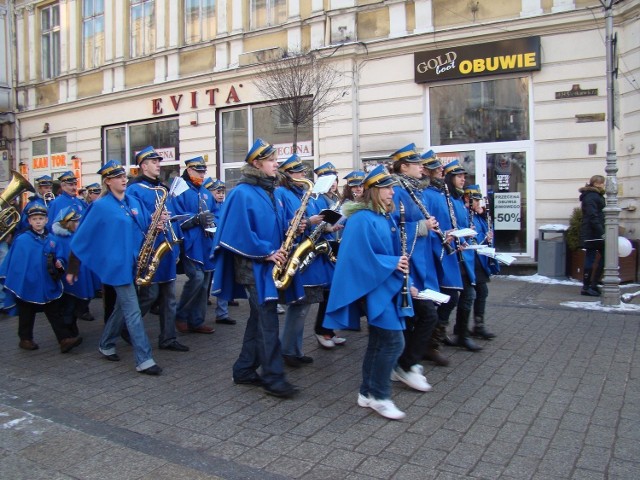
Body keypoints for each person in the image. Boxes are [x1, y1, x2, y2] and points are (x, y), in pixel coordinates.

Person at [212, 138, 304, 398]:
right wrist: (267, 251)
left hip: (268, 264)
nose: (277, 164)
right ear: (257, 163)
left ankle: (243, 370)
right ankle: (273, 378)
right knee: (267, 319)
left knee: (258, 318)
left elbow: (274, 225)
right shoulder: (242, 192)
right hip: (252, 266)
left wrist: (294, 227)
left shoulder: (269, 190)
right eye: (272, 160)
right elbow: (236, 232)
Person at [324, 164, 413, 420]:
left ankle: (367, 392)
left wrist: (408, 280)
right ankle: (380, 396)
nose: (391, 193)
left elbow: (396, 252)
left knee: (379, 343)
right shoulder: (361, 219)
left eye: (391, 188)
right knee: (393, 342)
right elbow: (356, 257)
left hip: (386, 286)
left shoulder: (383, 216)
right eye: (386, 189)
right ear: (374, 191)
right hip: (374, 289)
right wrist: (391, 263)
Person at [66, 160, 162, 375]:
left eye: (124, 176)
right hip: (117, 267)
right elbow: (81, 238)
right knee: (133, 311)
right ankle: (144, 359)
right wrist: (73, 268)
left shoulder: (132, 201)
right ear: (108, 181)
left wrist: (158, 223)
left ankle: (106, 343)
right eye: (118, 177)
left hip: (135, 264)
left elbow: (146, 226)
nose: (124, 179)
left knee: (122, 307)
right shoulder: (100, 206)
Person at [127, 146, 189, 352]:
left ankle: (168, 338)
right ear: (144, 166)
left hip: (167, 248)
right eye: (154, 162)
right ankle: (125, 328)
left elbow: (170, 214)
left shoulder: (162, 188)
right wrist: (152, 219)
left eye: (158, 161)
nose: (158, 165)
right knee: (149, 296)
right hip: (150, 248)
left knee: (170, 299)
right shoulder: (134, 189)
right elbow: (134, 219)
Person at [277, 154, 337, 367]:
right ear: (287, 175)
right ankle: (288, 351)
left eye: (303, 171)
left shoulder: (305, 193)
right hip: (296, 254)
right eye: (298, 172)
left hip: (309, 256)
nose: (303, 175)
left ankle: (294, 349)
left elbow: (311, 222)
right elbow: (280, 223)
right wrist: (307, 222)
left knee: (303, 307)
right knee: (299, 307)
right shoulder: (280, 193)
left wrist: (327, 225)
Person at [389, 143, 439, 392]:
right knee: (427, 315)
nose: (423, 167)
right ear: (404, 166)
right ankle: (406, 364)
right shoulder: (397, 191)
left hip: (419, 263)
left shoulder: (414, 190)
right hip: (405, 263)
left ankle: (404, 361)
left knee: (416, 316)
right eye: (417, 163)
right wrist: (421, 227)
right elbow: (391, 229)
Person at [0, 204, 82, 353]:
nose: (38, 222)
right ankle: (25, 339)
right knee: (26, 312)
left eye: (41, 218)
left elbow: (61, 257)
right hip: (27, 283)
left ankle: (64, 339)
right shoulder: (22, 239)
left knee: (54, 311)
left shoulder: (52, 239)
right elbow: (15, 263)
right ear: (29, 221)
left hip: (46, 283)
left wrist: (60, 263)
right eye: (34, 219)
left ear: (46, 220)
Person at [421, 153, 463, 362]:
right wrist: (442, 235)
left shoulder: (442, 192)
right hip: (432, 252)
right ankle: (428, 343)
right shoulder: (426, 194)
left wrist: (456, 235)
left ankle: (433, 341)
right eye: (436, 168)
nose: (441, 170)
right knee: (439, 298)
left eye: (440, 167)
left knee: (451, 295)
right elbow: (425, 223)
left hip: (446, 250)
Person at [173, 156, 216, 334]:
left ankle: (197, 321)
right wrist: (196, 219)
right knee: (197, 278)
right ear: (189, 170)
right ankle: (181, 315)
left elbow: (216, 213)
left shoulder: (206, 192)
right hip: (190, 244)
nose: (201, 174)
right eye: (198, 171)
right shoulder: (180, 190)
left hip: (206, 243)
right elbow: (175, 218)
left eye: (203, 171)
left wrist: (215, 222)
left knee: (205, 282)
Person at [443, 159, 482, 352]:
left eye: (464, 176)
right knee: (451, 297)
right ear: (450, 178)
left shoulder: (458, 200)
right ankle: (439, 332)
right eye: (459, 176)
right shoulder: (446, 198)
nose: (463, 180)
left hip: (462, 253)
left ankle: (462, 334)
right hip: (451, 254)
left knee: (469, 294)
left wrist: (468, 231)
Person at [311, 161, 346, 349]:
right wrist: (328, 226)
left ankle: (329, 330)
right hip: (322, 250)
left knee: (333, 292)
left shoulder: (336, 198)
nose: (333, 183)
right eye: (329, 179)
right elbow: (315, 223)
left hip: (334, 246)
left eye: (334, 179)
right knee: (327, 293)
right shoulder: (316, 198)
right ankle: (321, 330)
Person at [50, 206, 99, 338]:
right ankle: (68, 328)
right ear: (68, 223)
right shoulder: (60, 239)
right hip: (70, 277)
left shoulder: (78, 236)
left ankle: (71, 323)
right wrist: (59, 262)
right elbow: (59, 255)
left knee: (79, 303)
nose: (79, 223)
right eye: (76, 221)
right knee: (69, 305)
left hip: (83, 274)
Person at [464, 185, 498, 340]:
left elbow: (485, 231)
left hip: (479, 258)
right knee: (471, 294)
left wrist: (488, 236)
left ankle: (478, 325)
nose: (479, 204)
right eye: (476, 200)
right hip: (470, 259)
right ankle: (465, 328)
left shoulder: (478, 216)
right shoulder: (465, 214)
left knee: (480, 292)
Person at [203, 177, 236, 324]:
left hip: (222, 248)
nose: (221, 194)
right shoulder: (206, 209)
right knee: (205, 282)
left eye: (222, 191)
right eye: (217, 191)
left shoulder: (224, 206)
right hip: (208, 249)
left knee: (221, 278)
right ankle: (200, 311)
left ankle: (222, 313)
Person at [579, 174, 605, 296]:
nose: (602, 185)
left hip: (595, 232)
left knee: (605, 257)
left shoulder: (596, 196)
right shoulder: (591, 197)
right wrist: (602, 231)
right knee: (591, 257)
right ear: (595, 183)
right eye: (601, 183)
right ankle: (587, 286)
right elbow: (592, 215)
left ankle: (593, 284)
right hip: (592, 233)